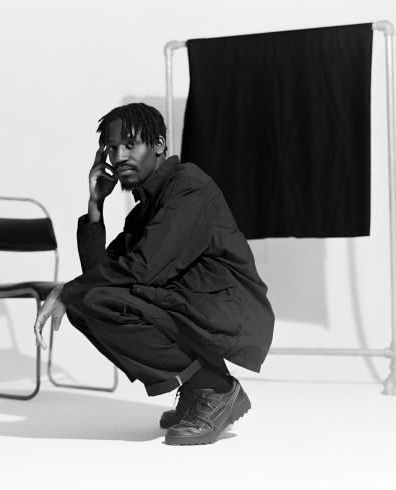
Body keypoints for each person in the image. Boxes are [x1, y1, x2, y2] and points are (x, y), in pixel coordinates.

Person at [34, 102, 274, 446]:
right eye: (112, 148)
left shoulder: (187, 186)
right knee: (87, 302)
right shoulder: (144, 210)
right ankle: (197, 388)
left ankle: (216, 389)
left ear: (159, 145)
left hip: (228, 309)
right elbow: (100, 275)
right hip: (190, 304)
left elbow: (143, 268)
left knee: (95, 299)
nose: (119, 156)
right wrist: (95, 205)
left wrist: (65, 290)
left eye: (131, 144)